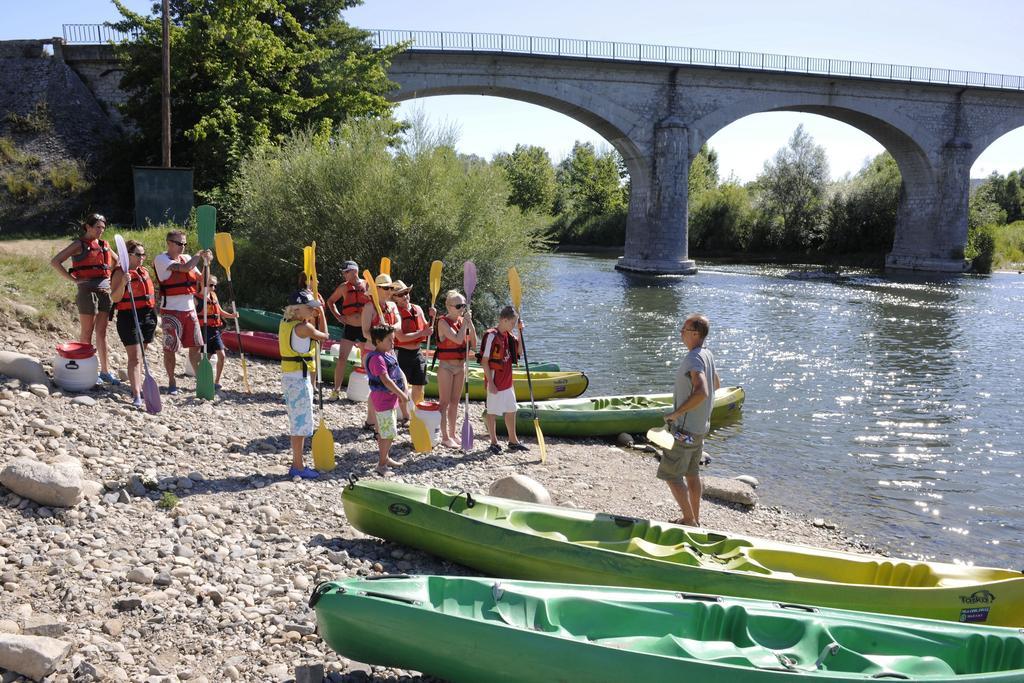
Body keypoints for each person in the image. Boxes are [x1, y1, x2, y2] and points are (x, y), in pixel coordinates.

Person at [660, 313, 721, 527]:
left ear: (695, 333)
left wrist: (676, 414)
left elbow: (702, 391)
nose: (680, 333)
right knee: (692, 475)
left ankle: (688, 520)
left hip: (684, 430)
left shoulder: (695, 358)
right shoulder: (707, 355)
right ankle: (694, 520)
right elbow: (717, 385)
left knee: (671, 474)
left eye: (684, 329)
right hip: (699, 428)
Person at [49, 213, 120, 385]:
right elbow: (56, 261)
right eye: (97, 227)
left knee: (102, 333)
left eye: (103, 228)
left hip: (105, 292)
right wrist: (74, 280)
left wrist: (114, 280)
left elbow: (118, 262)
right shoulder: (79, 244)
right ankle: (87, 371)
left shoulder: (104, 245)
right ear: (88, 227)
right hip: (87, 291)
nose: (101, 231)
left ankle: (105, 371)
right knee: (87, 332)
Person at [153, 230, 212, 395]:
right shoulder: (161, 259)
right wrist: (199, 255)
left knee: (195, 347)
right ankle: (172, 381)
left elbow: (204, 281)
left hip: (189, 311)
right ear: (169, 243)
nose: (183, 247)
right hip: (171, 312)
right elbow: (186, 269)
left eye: (185, 244)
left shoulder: (187, 258)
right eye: (180, 244)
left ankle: (201, 381)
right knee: (170, 349)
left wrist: (208, 263)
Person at [279, 289, 328, 479]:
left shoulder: (286, 323)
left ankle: (298, 463)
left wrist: (314, 313)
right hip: (299, 380)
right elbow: (324, 336)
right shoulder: (303, 328)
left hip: (291, 378)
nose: (313, 312)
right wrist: (322, 314)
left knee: (298, 424)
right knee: (300, 426)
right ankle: (297, 466)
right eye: (310, 309)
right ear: (297, 310)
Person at [109, 240, 156, 407]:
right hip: (128, 317)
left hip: (147, 316)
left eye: (143, 254)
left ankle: (140, 388)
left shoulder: (143, 271)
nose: (142, 258)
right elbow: (114, 298)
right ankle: (136, 394)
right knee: (135, 358)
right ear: (128, 255)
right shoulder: (120, 273)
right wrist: (123, 282)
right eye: (138, 255)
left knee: (141, 356)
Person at [360, 273, 407, 430]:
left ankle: (396, 418)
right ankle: (371, 421)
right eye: (386, 288)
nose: (389, 291)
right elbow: (365, 332)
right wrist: (379, 335)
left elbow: (399, 323)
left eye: (391, 288)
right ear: (377, 289)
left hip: (389, 352)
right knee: (377, 387)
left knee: (398, 381)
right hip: (373, 352)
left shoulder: (392, 306)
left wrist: (390, 328)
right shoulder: (369, 307)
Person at [480, 305, 529, 454]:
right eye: (512, 323)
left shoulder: (509, 336)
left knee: (511, 410)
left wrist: (520, 332)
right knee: (492, 412)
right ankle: (493, 442)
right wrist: (491, 383)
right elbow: (484, 361)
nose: (513, 326)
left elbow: (519, 351)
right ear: (504, 320)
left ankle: (513, 440)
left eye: (515, 324)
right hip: (496, 379)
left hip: (507, 380)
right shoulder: (491, 336)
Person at [365, 325, 411, 476]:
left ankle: (385, 457)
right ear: (378, 341)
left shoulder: (387, 354)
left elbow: (396, 373)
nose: (393, 342)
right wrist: (401, 395)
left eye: (393, 339)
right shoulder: (377, 359)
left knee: (385, 431)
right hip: (383, 400)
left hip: (388, 400)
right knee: (388, 433)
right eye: (389, 339)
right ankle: (381, 465)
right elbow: (386, 381)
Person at [435, 289, 477, 449]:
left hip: (460, 367)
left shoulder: (462, 321)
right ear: (449, 306)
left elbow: (473, 343)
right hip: (446, 367)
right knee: (444, 403)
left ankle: (452, 434)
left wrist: (470, 323)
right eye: (458, 306)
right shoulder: (442, 322)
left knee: (455, 402)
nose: (461, 309)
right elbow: (458, 339)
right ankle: (445, 436)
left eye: (463, 306)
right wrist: (465, 323)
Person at [326, 261, 369, 400]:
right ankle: (336, 390)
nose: (343, 274)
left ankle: (365, 391)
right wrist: (338, 316)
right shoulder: (343, 287)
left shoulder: (368, 285)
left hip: (364, 328)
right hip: (349, 327)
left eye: (346, 272)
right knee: (342, 359)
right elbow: (330, 301)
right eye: (343, 272)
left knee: (366, 360)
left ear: (354, 271)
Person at [391, 280, 431, 406]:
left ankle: (416, 414)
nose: (405, 296)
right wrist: (421, 333)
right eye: (400, 294)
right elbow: (401, 338)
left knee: (419, 385)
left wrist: (433, 318)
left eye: (406, 292)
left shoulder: (417, 308)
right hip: (401, 353)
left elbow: (426, 327)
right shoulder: (394, 312)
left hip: (417, 352)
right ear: (394, 298)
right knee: (401, 385)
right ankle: (402, 414)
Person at [195, 275, 238, 392]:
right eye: (211, 285)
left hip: (215, 330)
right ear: (204, 284)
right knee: (206, 358)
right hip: (204, 330)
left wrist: (232, 316)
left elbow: (220, 311)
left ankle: (217, 381)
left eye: (214, 285)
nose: (213, 288)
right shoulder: (196, 298)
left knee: (222, 356)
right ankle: (204, 381)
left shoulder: (214, 295)